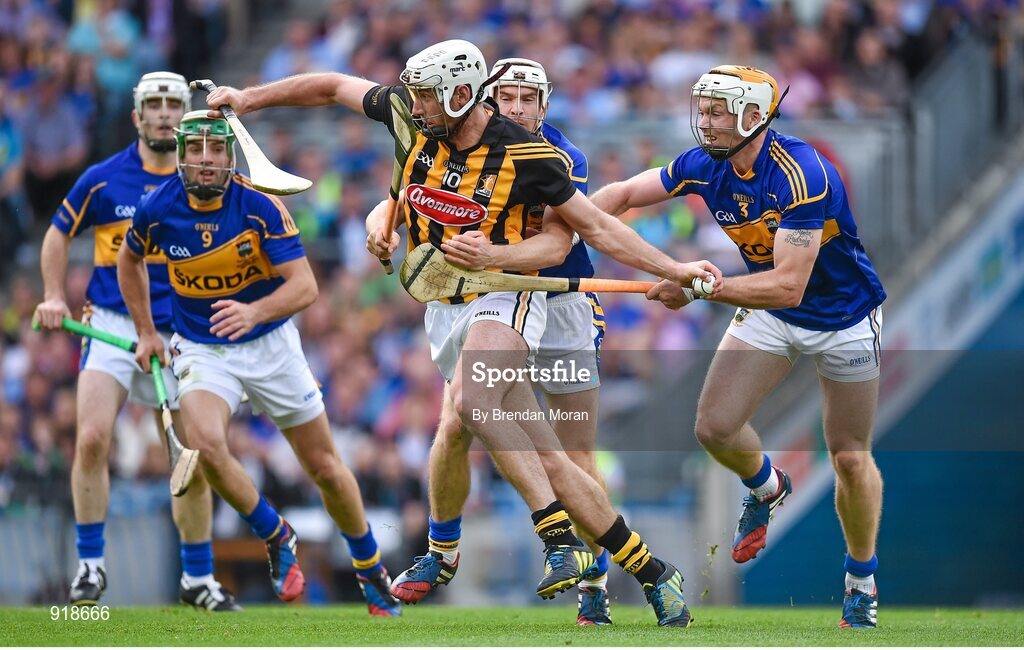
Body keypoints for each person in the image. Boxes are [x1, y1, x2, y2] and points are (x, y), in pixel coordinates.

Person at [207, 39, 720, 628]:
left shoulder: (531, 156)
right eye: (417, 94)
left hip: (509, 293)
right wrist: (250, 98)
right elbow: (331, 88)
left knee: (477, 404)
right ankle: (654, 573)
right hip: (444, 305)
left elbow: (587, 233)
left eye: (428, 95)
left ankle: (554, 542)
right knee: (542, 455)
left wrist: (673, 269)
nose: (416, 104)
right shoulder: (414, 119)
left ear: (459, 93)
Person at [589, 65, 886, 629]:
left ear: (754, 117)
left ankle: (861, 579)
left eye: (717, 111)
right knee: (714, 427)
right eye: (703, 108)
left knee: (849, 454)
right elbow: (627, 192)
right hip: (770, 311)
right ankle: (768, 487)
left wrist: (700, 286)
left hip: (841, 315)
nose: (705, 121)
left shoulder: (803, 174)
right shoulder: (706, 163)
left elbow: (788, 284)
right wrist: (567, 218)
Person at [116, 110, 401, 617]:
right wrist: (144, 330)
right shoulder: (157, 208)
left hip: (270, 344)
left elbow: (305, 287)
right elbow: (129, 260)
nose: (206, 160)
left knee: (325, 469)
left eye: (216, 150)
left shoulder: (260, 207)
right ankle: (276, 533)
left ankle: (368, 566)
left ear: (230, 156)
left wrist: (254, 311)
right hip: (203, 347)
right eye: (196, 150)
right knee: (204, 445)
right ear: (181, 155)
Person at [387, 57, 612, 627]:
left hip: (558, 306)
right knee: (458, 420)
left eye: (528, 98)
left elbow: (555, 246)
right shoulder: (456, 139)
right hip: (486, 298)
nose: (516, 107)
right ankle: (441, 551)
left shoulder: (558, 157)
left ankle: (597, 580)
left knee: (574, 454)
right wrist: (380, 218)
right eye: (506, 97)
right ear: (484, 100)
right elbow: (421, 188)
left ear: (544, 106)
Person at [33, 72, 239, 611]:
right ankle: (90, 568)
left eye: (175, 103)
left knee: (191, 452)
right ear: (137, 116)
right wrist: (54, 295)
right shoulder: (104, 180)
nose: (167, 113)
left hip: (182, 331)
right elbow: (57, 235)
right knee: (93, 437)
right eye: (156, 105)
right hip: (112, 324)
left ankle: (198, 578)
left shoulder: (207, 179)